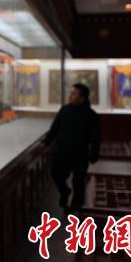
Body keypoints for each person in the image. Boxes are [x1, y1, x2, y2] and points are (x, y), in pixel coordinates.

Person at [43, 83, 101, 211]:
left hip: (80, 153)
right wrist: (45, 142)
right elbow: (55, 128)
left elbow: (96, 137)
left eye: (74, 94)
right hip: (62, 151)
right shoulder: (64, 110)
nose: (70, 96)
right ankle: (65, 191)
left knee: (78, 182)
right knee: (55, 173)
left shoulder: (91, 115)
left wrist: (94, 154)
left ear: (82, 98)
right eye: (70, 93)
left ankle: (75, 209)